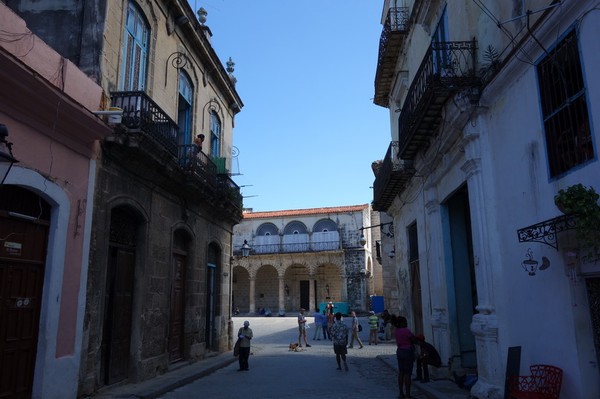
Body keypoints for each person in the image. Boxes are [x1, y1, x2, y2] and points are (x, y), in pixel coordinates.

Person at [395, 316, 416, 398]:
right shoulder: (406, 331)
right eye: (405, 322)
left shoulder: (396, 331)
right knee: (407, 374)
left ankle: (401, 393)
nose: (406, 323)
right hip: (407, 352)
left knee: (401, 373)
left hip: (399, 351)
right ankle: (408, 394)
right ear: (401, 323)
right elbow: (413, 340)